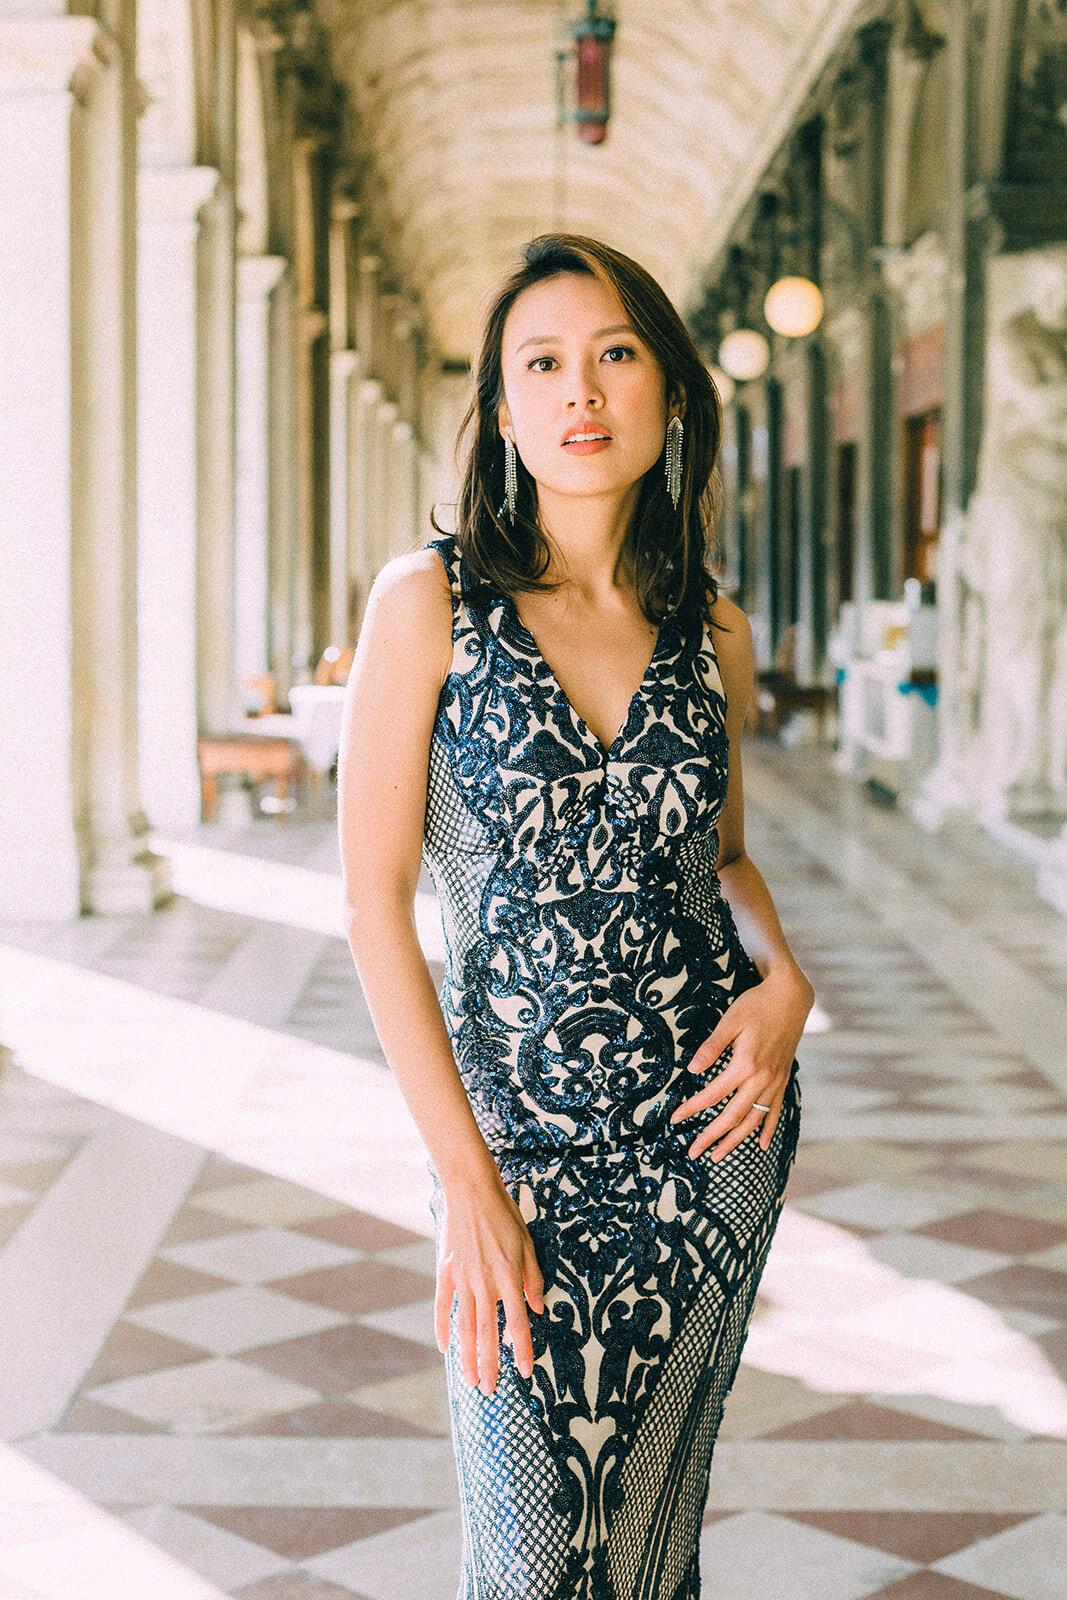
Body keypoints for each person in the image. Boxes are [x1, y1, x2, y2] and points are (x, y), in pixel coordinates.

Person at [338, 234, 812, 1600]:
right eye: (541, 363)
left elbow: (723, 857)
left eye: (615, 354)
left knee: (655, 1547)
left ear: (669, 392)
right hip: (512, 1147)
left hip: (710, 1138)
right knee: (533, 1562)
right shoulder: (426, 603)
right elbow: (374, 910)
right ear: (500, 412)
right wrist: (468, 1189)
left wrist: (785, 980)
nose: (580, 390)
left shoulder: (709, 628)